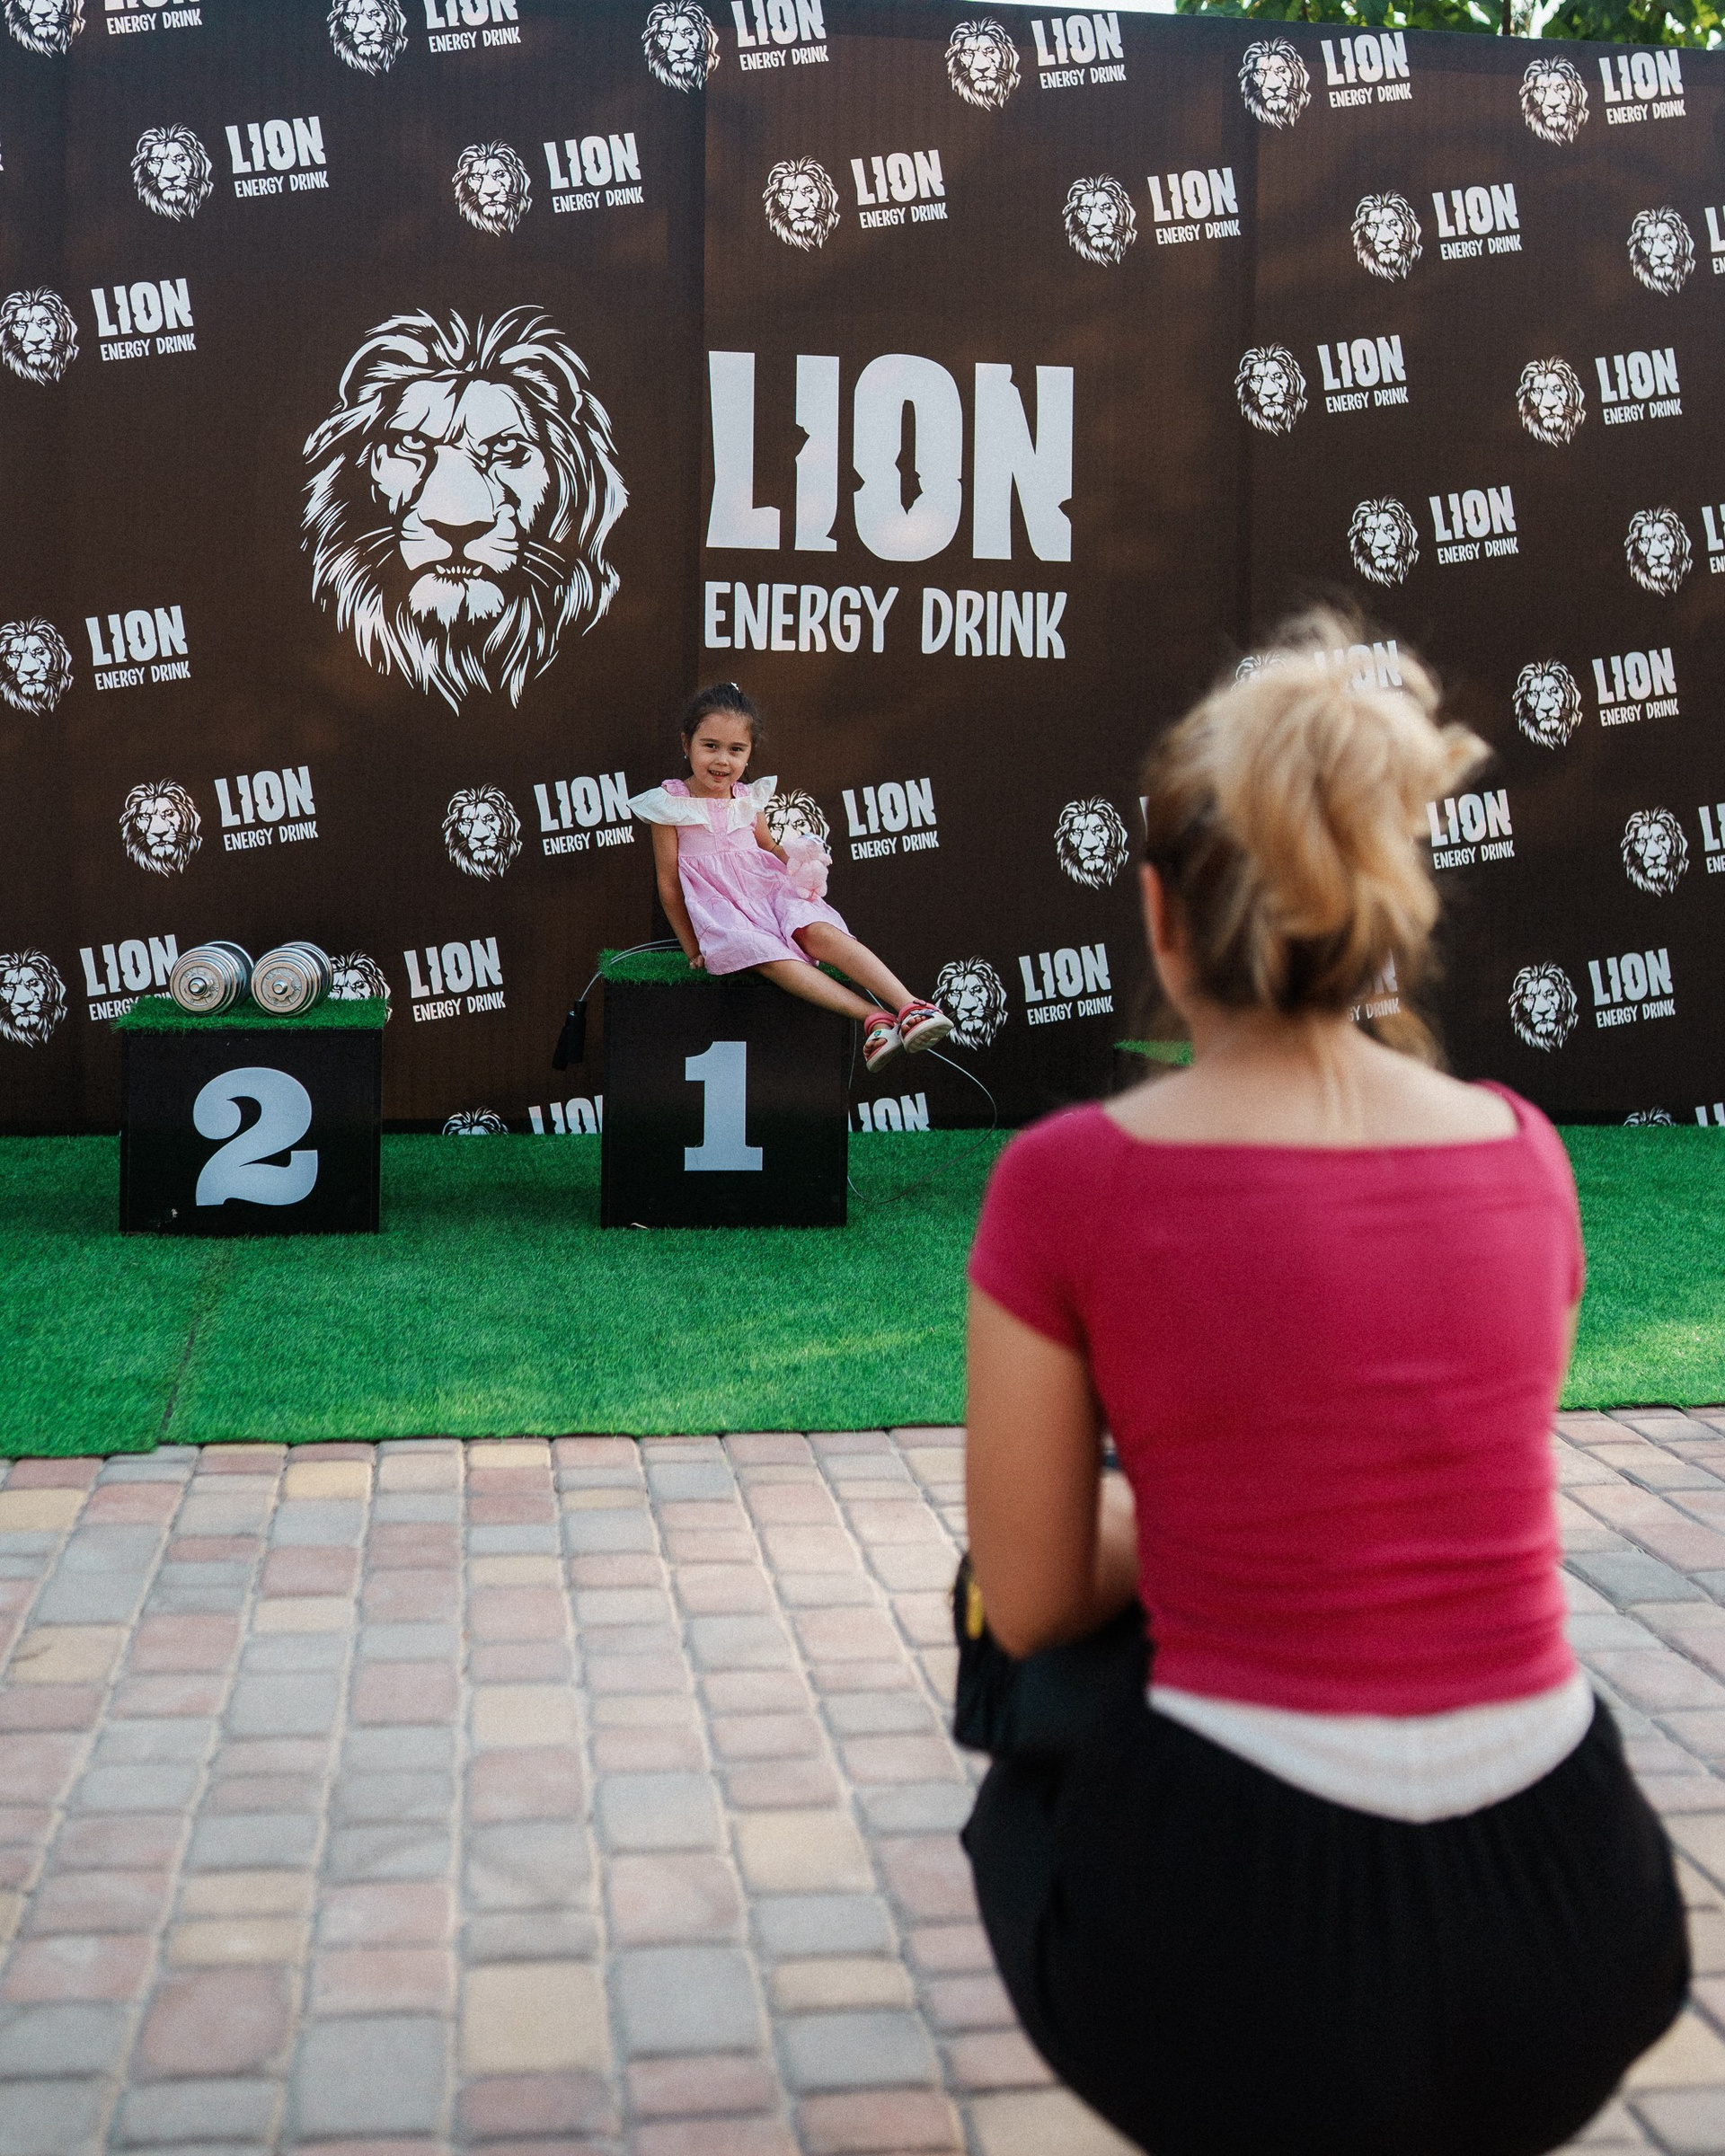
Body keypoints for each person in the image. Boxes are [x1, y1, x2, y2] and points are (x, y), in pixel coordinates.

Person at [960, 614, 1688, 2156]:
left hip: (1240, 1936)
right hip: (1578, 1915)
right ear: (1380, 903)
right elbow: (1443, 1476)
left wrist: (1188, 1516)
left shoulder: (1068, 1180)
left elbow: (1027, 1602)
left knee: (1011, 1696)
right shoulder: (1526, 1153)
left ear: (1160, 914)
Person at [631, 684, 952, 1071]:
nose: (722, 761)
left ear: (749, 753)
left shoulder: (748, 797)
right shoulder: (670, 802)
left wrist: (798, 856)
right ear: (687, 743)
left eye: (736, 750)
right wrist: (692, 947)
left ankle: (912, 1007)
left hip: (767, 888)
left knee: (816, 930)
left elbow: (768, 847)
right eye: (710, 746)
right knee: (766, 956)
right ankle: (875, 1019)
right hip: (722, 911)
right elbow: (669, 885)